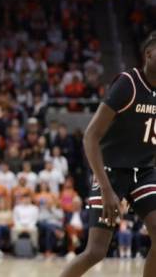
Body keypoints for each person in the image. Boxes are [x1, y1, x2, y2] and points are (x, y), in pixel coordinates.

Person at [61, 32, 156, 277]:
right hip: (111, 171)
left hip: (144, 170)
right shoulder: (128, 83)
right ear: (149, 54)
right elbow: (90, 136)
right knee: (96, 251)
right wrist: (106, 189)